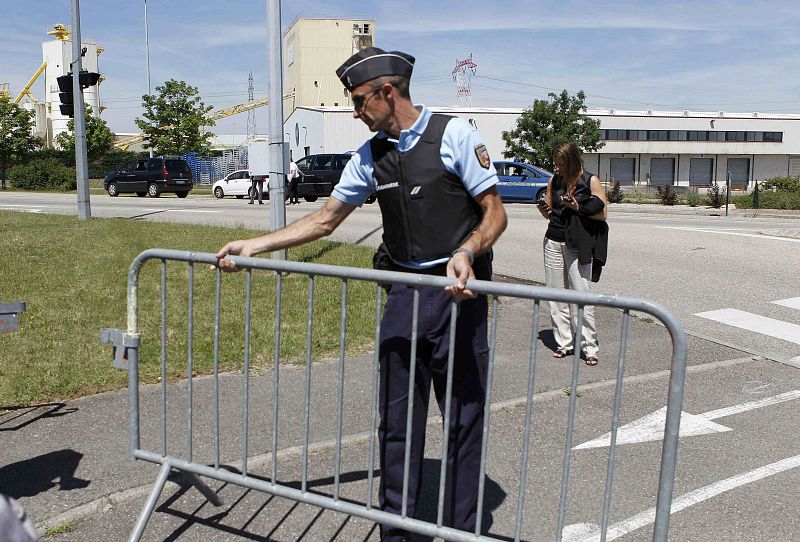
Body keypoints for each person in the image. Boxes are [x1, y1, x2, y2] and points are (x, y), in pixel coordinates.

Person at [214, 47, 507, 541]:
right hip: (403, 294)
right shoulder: (371, 155)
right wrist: (257, 244)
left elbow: (494, 211)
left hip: (457, 294)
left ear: (387, 93)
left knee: (461, 422)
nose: (354, 113)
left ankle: (461, 531)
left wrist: (468, 250)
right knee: (396, 427)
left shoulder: (453, 134)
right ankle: (399, 534)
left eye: (358, 101)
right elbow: (326, 219)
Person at [537, 141, 608, 366]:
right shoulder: (554, 180)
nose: (557, 168)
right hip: (553, 239)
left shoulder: (590, 180)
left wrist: (578, 208)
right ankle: (564, 343)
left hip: (578, 243)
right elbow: (551, 213)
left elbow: (603, 214)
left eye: (561, 164)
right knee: (556, 295)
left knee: (581, 293)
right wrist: (544, 210)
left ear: (572, 161)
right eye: (555, 164)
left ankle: (589, 346)